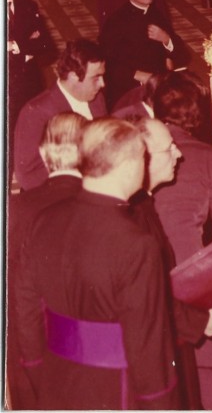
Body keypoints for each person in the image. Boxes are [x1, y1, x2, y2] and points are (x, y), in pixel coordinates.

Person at [14, 118, 180, 409]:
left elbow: (26, 306)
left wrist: (37, 370)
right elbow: (147, 345)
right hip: (116, 389)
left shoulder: (44, 221)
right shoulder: (136, 243)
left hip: (55, 378)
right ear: (130, 166)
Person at [150, 76, 212, 409]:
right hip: (195, 275)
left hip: (145, 271)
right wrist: (209, 261)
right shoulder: (211, 158)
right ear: (198, 115)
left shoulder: (141, 148)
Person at [7, 113, 87, 409]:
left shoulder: (15, 208)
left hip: (28, 350)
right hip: (87, 353)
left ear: (43, 153)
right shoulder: (104, 203)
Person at [13, 39, 107, 190]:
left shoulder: (96, 99)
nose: (102, 84)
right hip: (59, 196)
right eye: (96, 77)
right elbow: (27, 175)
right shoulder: (36, 112)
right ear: (73, 76)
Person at [99, 0, 191, 109]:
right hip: (130, 89)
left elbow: (183, 55)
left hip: (160, 85)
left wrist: (167, 39)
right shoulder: (116, 22)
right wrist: (140, 75)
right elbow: (108, 64)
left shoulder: (156, 14)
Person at [7, 0, 56, 135]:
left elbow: (46, 44)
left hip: (30, 80)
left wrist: (14, 45)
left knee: (35, 127)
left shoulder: (28, 6)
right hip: (6, 84)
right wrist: (28, 45)